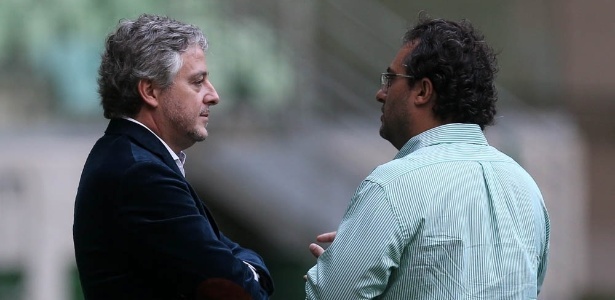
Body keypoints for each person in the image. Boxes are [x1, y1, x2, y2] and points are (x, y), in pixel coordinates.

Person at [305, 16, 550, 299]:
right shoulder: (526, 189)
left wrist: (337, 269)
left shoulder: (392, 186)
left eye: (391, 79)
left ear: (422, 91)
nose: (380, 93)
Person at [73, 14, 274, 300]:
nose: (213, 95)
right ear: (150, 91)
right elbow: (237, 290)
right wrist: (253, 271)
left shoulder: (130, 158)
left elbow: (223, 256)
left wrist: (240, 265)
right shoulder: (141, 175)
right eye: (197, 82)